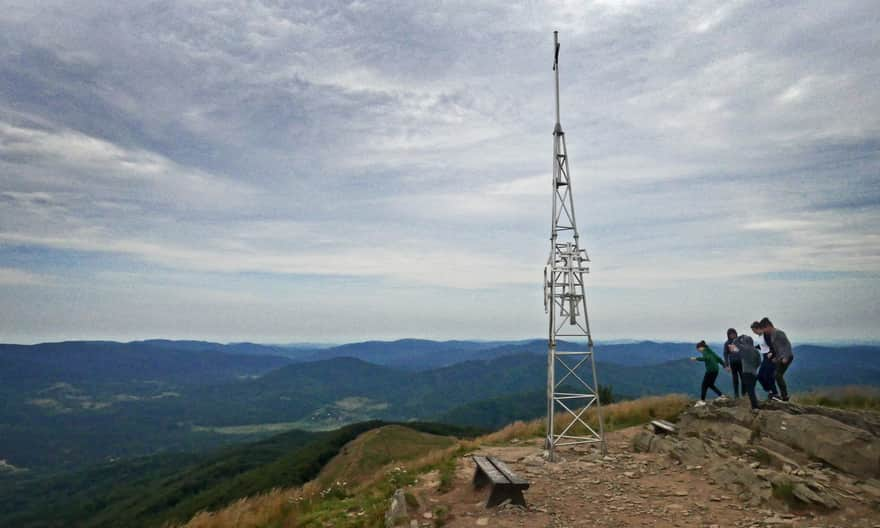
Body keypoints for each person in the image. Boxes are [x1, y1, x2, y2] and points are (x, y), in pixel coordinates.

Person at [760, 317, 793, 401]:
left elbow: (787, 345)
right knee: (775, 375)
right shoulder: (771, 335)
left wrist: (786, 357)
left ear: (768, 326)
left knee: (777, 375)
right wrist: (775, 357)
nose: (764, 331)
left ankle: (784, 396)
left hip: (787, 357)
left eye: (764, 329)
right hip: (780, 358)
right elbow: (777, 348)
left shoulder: (779, 333)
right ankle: (780, 395)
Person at [728, 332, 762, 411]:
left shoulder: (744, 349)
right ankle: (756, 405)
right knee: (752, 390)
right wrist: (754, 368)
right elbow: (759, 362)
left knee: (750, 391)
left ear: (745, 342)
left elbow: (735, 342)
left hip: (747, 373)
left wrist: (740, 336)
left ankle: (755, 407)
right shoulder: (756, 350)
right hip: (754, 373)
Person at [691, 340, 726, 404]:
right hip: (716, 370)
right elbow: (718, 358)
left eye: (698, 349)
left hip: (710, 370)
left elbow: (706, 358)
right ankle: (721, 395)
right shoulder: (711, 351)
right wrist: (724, 365)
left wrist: (696, 359)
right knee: (710, 384)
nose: (698, 350)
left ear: (701, 347)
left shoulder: (705, 352)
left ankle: (702, 401)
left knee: (704, 385)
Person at [752, 321, 779, 400]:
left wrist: (772, 353)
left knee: (769, 376)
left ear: (758, 328)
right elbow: (762, 346)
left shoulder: (766, 335)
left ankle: (775, 394)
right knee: (760, 376)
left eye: (754, 330)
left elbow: (773, 345)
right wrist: (753, 347)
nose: (754, 332)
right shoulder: (760, 336)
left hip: (770, 357)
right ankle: (771, 391)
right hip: (765, 357)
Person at [723, 328, 743, 398]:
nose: (732, 335)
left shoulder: (740, 341)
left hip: (741, 363)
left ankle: (744, 394)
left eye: (733, 334)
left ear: (736, 333)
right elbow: (725, 354)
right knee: (735, 379)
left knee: (743, 378)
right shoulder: (727, 343)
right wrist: (727, 365)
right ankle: (736, 395)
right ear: (728, 335)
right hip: (733, 363)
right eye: (730, 334)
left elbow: (745, 350)